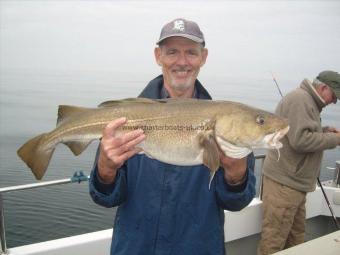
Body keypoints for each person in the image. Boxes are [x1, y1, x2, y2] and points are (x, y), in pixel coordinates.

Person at [89, 18, 256, 255]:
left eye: (191, 52)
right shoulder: (127, 119)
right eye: (172, 52)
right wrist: (105, 170)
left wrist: (237, 175)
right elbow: (105, 198)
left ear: (204, 57)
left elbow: (236, 202)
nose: (182, 62)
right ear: (158, 56)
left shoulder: (227, 124)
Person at [257, 70, 340, 255]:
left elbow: (300, 131)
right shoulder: (300, 100)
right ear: (324, 87)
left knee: (296, 241)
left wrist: (325, 130)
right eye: (334, 95)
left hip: (295, 185)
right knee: (274, 243)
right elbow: (300, 141)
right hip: (284, 185)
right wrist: (335, 139)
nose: (335, 101)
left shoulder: (308, 101)